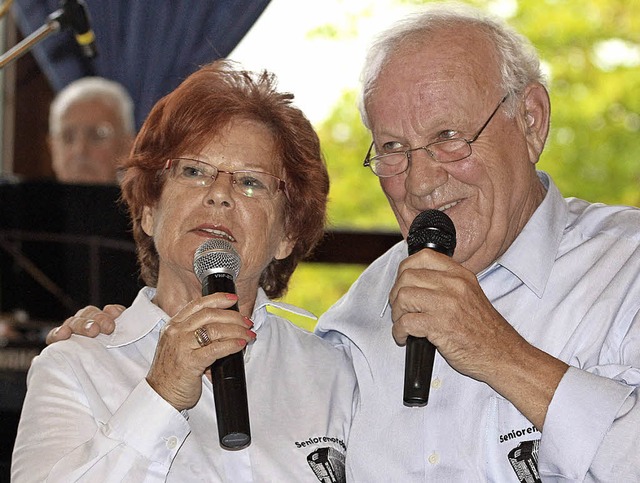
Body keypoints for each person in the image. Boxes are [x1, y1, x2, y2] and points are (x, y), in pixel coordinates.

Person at [43, 3, 640, 481]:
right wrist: (125, 340)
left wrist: (502, 354)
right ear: (145, 206)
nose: (423, 180)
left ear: (532, 120)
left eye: (449, 137)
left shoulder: (625, 267)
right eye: (394, 150)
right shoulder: (354, 322)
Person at [12, 60, 356, 482]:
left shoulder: (334, 371)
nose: (219, 195)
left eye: (251, 182)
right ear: (149, 211)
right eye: (194, 171)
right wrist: (161, 393)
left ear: (287, 234)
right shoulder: (75, 365)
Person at [48, 76, 135, 184]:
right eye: (68, 137)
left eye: (96, 135)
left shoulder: (148, 200)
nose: (80, 150)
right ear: (52, 148)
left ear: (127, 146)